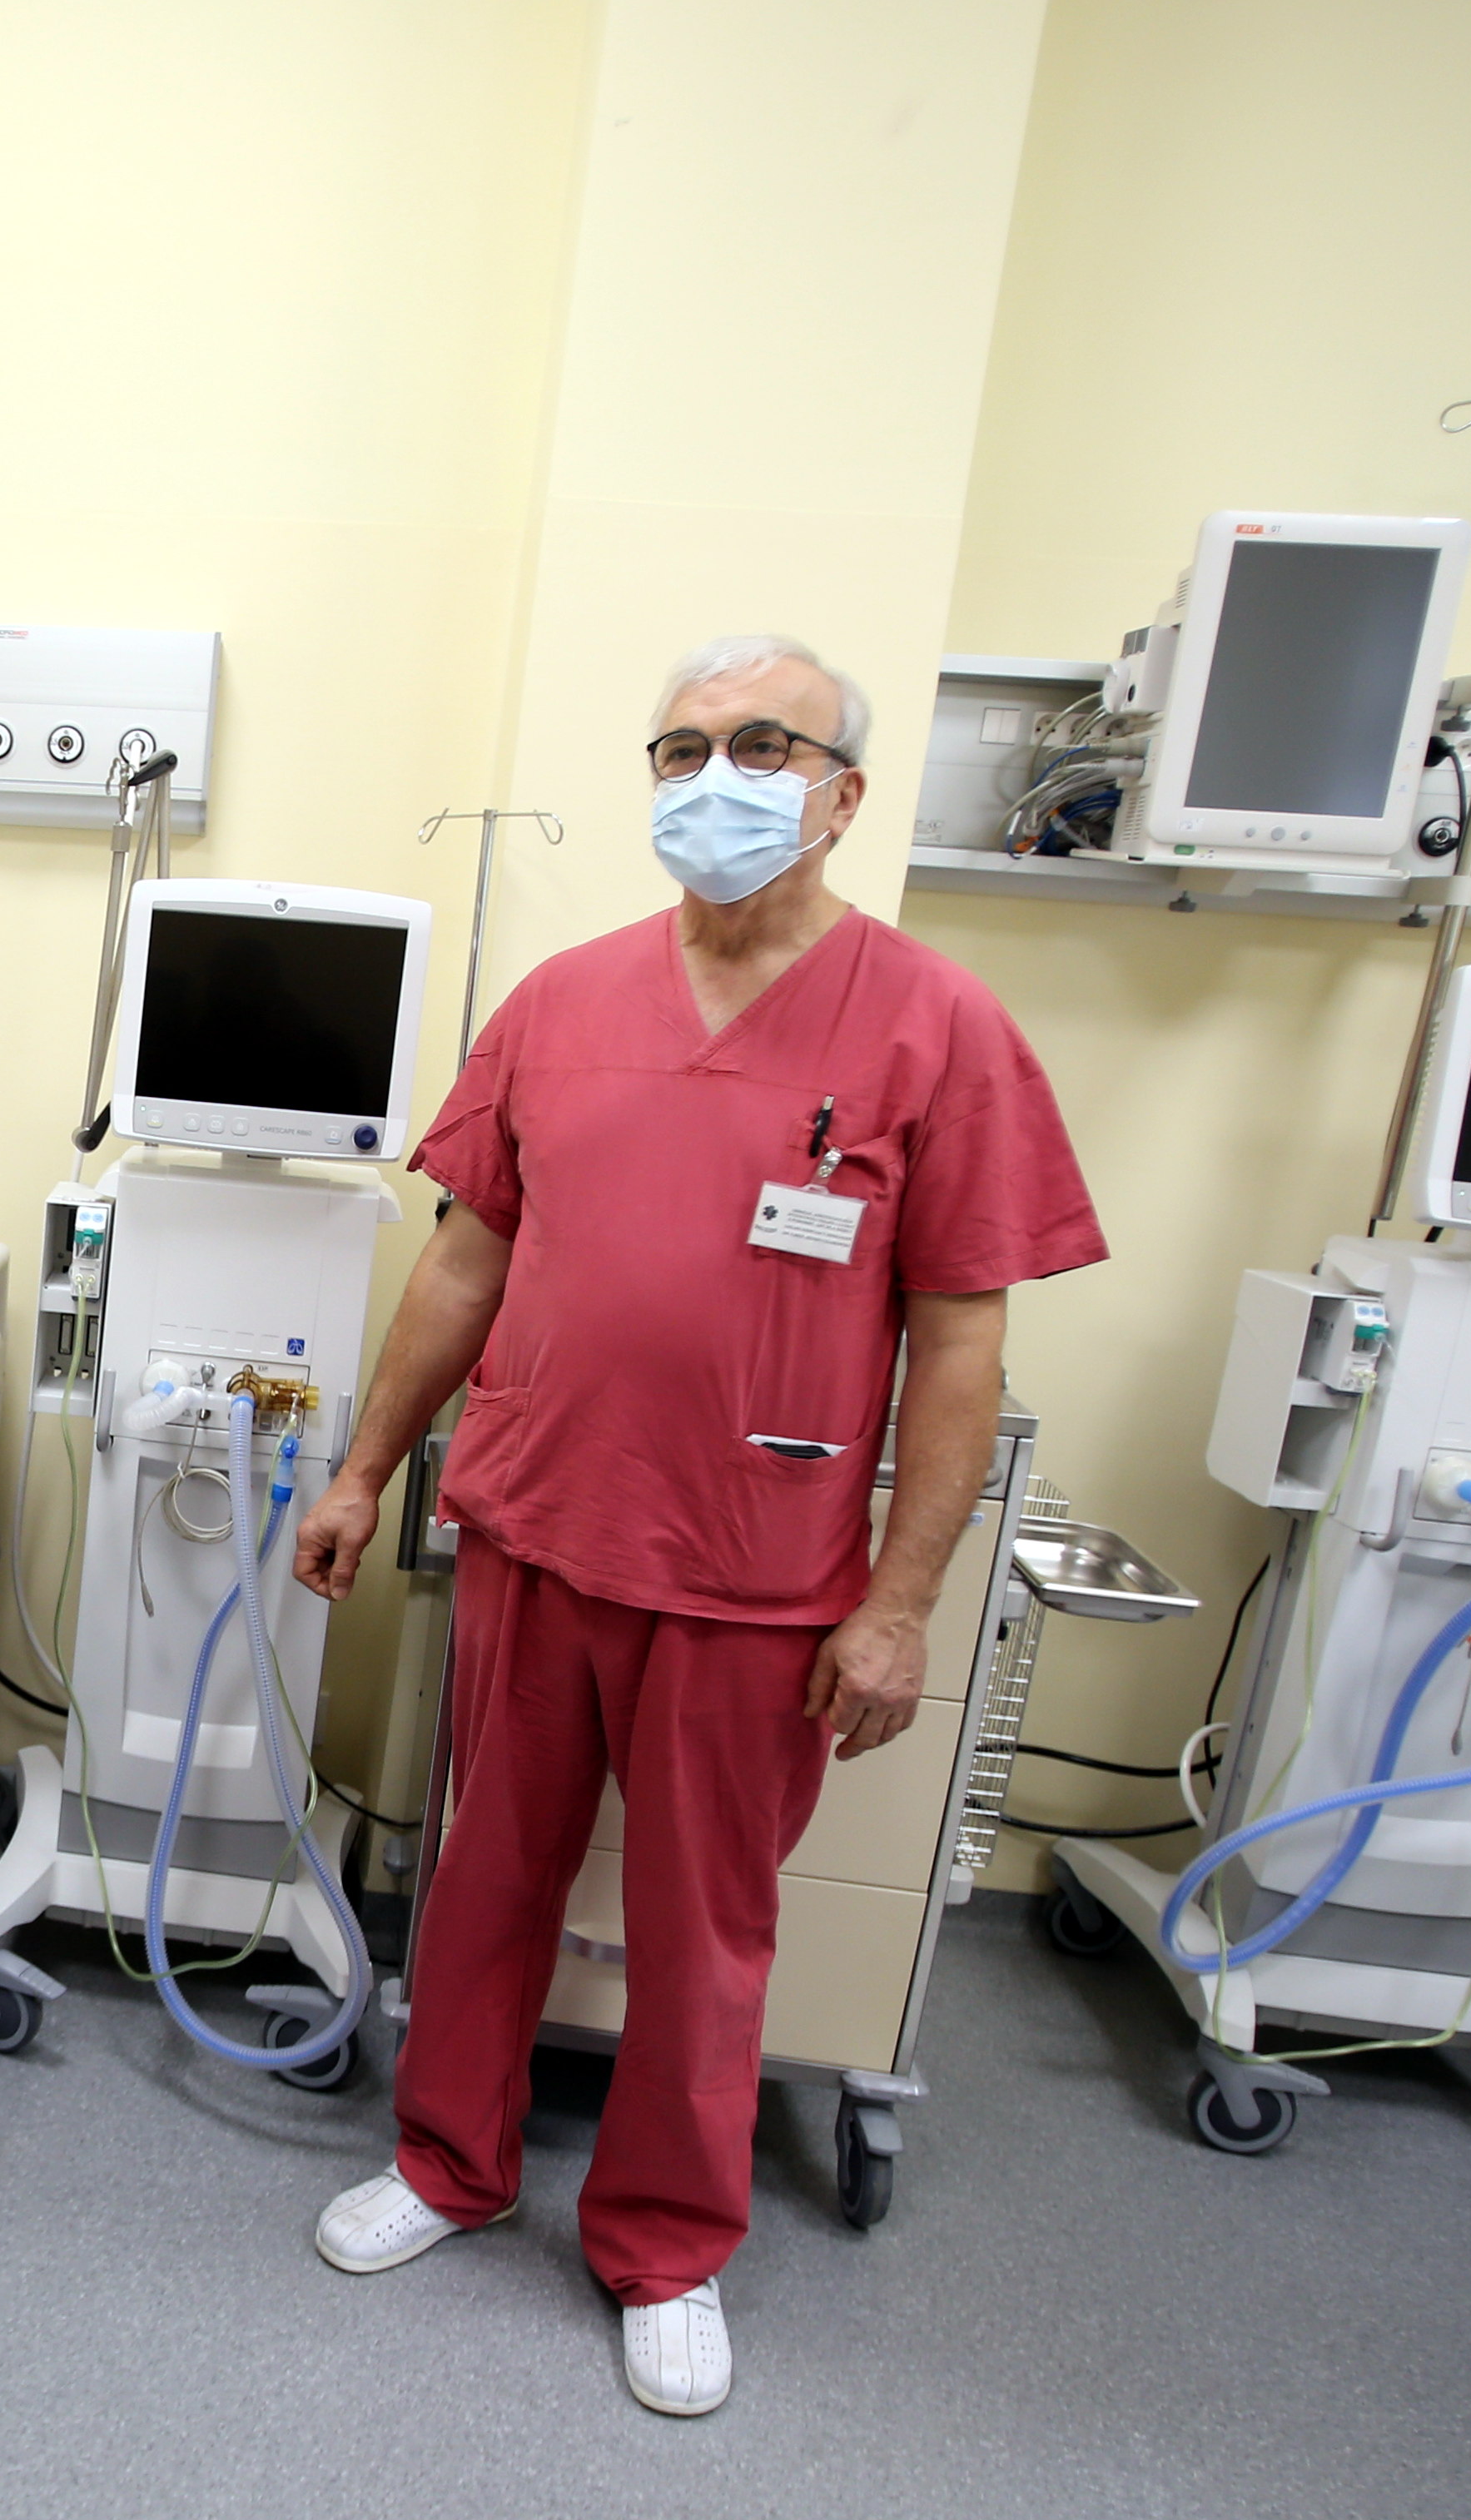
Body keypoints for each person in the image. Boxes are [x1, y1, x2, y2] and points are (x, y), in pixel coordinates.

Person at [288, 634, 1105, 2417]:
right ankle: (447, 2163)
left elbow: (961, 1341)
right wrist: (364, 1467)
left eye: (758, 744)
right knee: (484, 1879)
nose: (710, 778)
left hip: (755, 1573)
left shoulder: (936, 1027)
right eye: (678, 748)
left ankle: (665, 2245)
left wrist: (899, 1603)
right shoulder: (562, 1004)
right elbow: (466, 1262)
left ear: (841, 793)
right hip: (534, 1527)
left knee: (704, 1929)